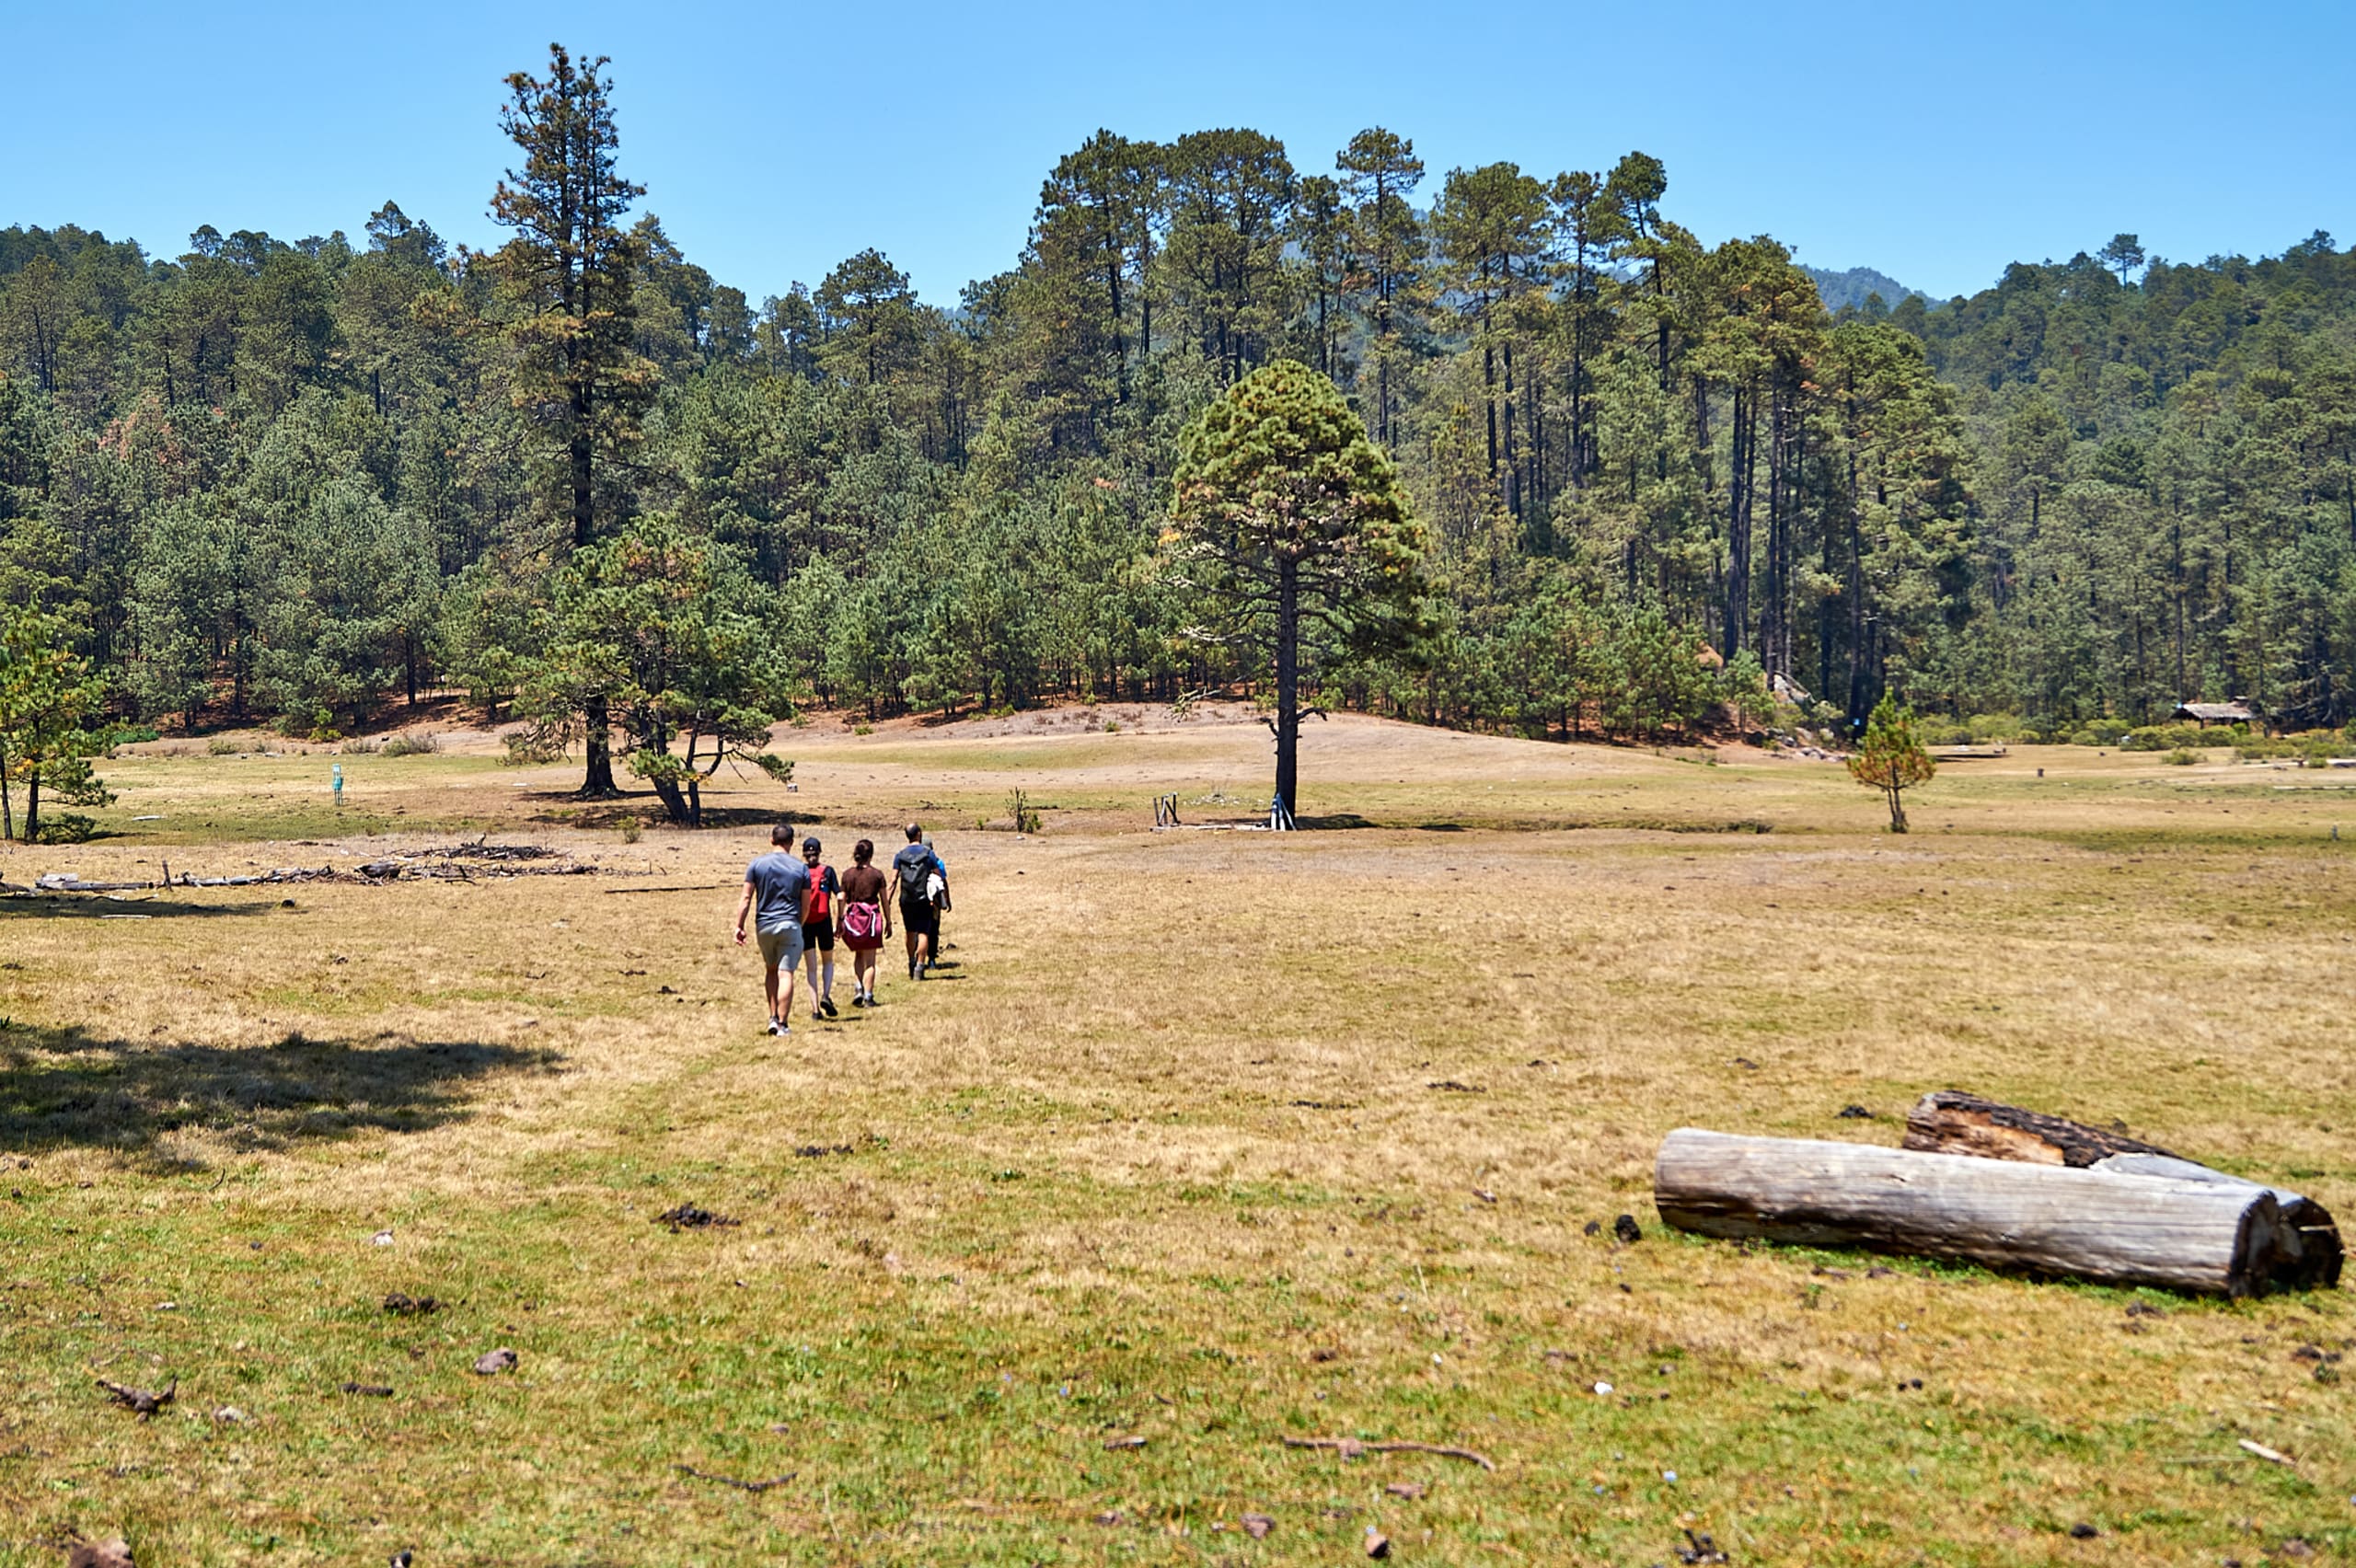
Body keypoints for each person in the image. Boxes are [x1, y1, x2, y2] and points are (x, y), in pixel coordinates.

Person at [733, 824, 813, 1034]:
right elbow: (806, 905)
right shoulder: (801, 868)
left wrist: (739, 926)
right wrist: (800, 923)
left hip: (765, 925)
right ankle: (783, 1024)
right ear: (792, 842)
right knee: (786, 974)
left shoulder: (756, 864)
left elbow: (746, 897)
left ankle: (772, 1017)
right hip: (790, 923)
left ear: (771, 840)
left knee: (771, 970)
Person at [838, 838, 891, 1007]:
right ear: (871, 855)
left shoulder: (847, 875)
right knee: (871, 961)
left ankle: (858, 987)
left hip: (853, 921)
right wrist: (889, 921)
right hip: (870, 919)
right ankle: (868, 995)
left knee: (858, 954)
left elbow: (842, 898)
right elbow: (884, 900)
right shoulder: (877, 875)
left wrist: (839, 920)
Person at [798, 836, 843, 1020]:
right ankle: (826, 995)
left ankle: (815, 1009)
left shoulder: (800, 872)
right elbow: (840, 896)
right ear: (819, 852)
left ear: (804, 854)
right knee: (828, 961)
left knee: (810, 968)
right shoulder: (828, 871)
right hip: (824, 921)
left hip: (805, 922)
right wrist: (840, 918)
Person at [893, 823, 942, 980]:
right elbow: (937, 875)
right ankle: (920, 968)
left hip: (906, 899)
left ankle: (911, 961)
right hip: (923, 898)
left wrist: (887, 899)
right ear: (919, 834)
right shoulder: (928, 854)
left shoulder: (900, 855)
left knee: (909, 932)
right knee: (923, 933)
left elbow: (893, 879)